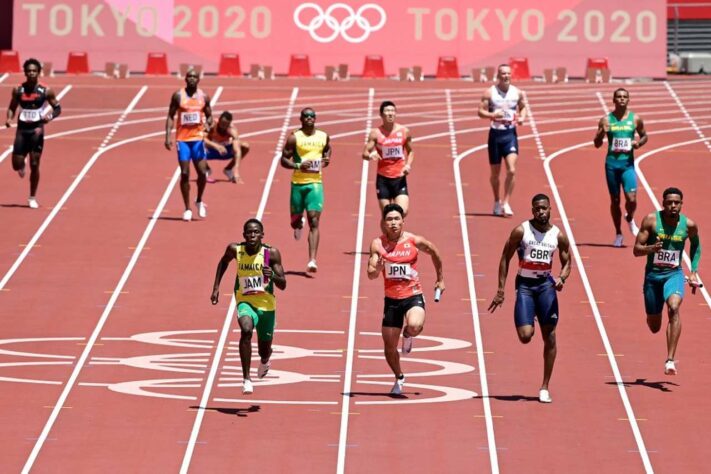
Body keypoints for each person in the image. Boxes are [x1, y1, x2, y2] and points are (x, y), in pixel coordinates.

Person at [488, 194, 571, 403]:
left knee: (550, 336)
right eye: (536, 209)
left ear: (550, 209)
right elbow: (505, 257)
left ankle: (545, 386)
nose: (540, 212)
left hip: (545, 286)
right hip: (525, 286)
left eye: (543, 208)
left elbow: (567, 261)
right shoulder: (521, 231)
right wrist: (500, 290)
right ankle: (530, 314)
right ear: (532, 210)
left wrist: (562, 277)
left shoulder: (558, 236)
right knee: (525, 336)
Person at [367, 203, 445, 395]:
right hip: (392, 301)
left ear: (403, 221)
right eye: (389, 220)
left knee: (415, 325)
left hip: (412, 296)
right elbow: (370, 274)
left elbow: (434, 252)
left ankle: (408, 335)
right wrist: (378, 268)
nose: (393, 223)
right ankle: (399, 377)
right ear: (383, 223)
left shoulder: (413, 241)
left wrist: (440, 279)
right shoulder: (377, 244)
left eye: (396, 219)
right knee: (389, 348)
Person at [211, 218, 287, 394]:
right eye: (249, 232)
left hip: (267, 306)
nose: (252, 235)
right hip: (245, 301)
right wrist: (216, 288)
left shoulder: (271, 254)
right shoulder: (236, 250)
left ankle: (265, 359)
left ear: (262, 235)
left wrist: (272, 276)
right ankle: (246, 378)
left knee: (264, 350)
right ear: (244, 235)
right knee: (246, 330)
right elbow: (223, 262)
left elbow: (283, 285)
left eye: (256, 232)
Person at [633, 187, 701, 375]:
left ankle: (670, 360)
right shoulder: (651, 221)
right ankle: (653, 314)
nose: (673, 206)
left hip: (674, 274)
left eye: (676, 203)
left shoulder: (689, 225)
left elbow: (696, 246)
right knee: (654, 326)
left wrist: (694, 271)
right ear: (663, 203)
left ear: (681, 204)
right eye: (669, 202)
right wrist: (651, 249)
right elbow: (636, 250)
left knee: (674, 307)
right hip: (653, 277)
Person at [594, 88, 648, 247]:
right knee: (615, 200)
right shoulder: (606, 120)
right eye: (619, 97)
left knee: (632, 199)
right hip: (611, 165)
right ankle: (618, 233)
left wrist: (638, 143)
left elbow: (645, 135)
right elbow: (596, 144)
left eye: (625, 96)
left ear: (628, 100)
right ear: (614, 100)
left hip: (627, 165)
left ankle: (630, 217)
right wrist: (600, 134)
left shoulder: (635, 119)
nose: (622, 99)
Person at [5, 58, 62, 209]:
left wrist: (49, 117)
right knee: (16, 165)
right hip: (22, 131)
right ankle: (21, 165)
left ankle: (32, 197)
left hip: (37, 130)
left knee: (35, 164)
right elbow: (12, 106)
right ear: (25, 72)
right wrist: (9, 119)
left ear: (38, 72)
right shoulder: (18, 90)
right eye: (28, 70)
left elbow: (58, 108)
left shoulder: (46, 91)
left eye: (34, 71)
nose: (31, 73)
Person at [280, 107, 331, 272]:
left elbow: (328, 148)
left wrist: (327, 158)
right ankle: (297, 224)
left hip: (315, 183)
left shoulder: (323, 136)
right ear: (301, 119)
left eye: (312, 116)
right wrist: (298, 165)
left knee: (314, 220)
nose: (309, 118)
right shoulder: (294, 138)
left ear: (315, 119)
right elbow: (283, 160)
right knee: (295, 220)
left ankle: (312, 260)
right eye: (306, 116)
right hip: (297, 184)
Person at [478, 64, 527, 217]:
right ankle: (496, 201)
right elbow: (480, 111)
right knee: (495, 174)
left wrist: (522, 118)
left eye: (508, 73)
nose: (506, 76)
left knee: (512, 170)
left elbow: (523, 107)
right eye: (503, 73)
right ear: (498, 76)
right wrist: (492, 115)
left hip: (510, 134)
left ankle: (506, 202)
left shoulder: (517, 92)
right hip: (495, 135)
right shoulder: (489, 93)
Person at [164, 68, 213, 221]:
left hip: (197, 139)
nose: (192, 79)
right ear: (185, 79)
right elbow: (171, 115)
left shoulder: (204, 96)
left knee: (202, 173)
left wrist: (208, 126)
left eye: (194, 77)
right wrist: (167, 136)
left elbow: (210, 116)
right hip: (182, 140)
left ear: (198, 80)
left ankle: (198, 200)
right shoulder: (178, 96)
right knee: (185, 173)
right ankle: (187, 208)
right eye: (189, 76)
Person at [362, 101, 414, 216]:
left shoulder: (404, 131)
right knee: (387, 215)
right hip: (383, 180)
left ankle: (397, 233)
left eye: (392, 111)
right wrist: (371, 156)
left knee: (402, 212)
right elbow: (364, 153)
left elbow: (410, 152)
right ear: (381, 114)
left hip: (399, 179)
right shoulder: (375, 133)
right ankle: (385, 234)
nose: (390, 114)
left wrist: (408, 165)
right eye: (387, 111)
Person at [204, 110, 250, 184]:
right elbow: (202, 139)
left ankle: (228, 169)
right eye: (222, 123)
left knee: (245, 146)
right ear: (219, 120)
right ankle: (206, 169)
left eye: (225, 124)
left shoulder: (232, 130)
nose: (223, 126)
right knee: (194, 145)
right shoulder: (212, 124)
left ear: (229, 124)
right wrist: (216, 146)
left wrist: (236, 170)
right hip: (210, 150)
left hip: (225, 151)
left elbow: (237, 150)